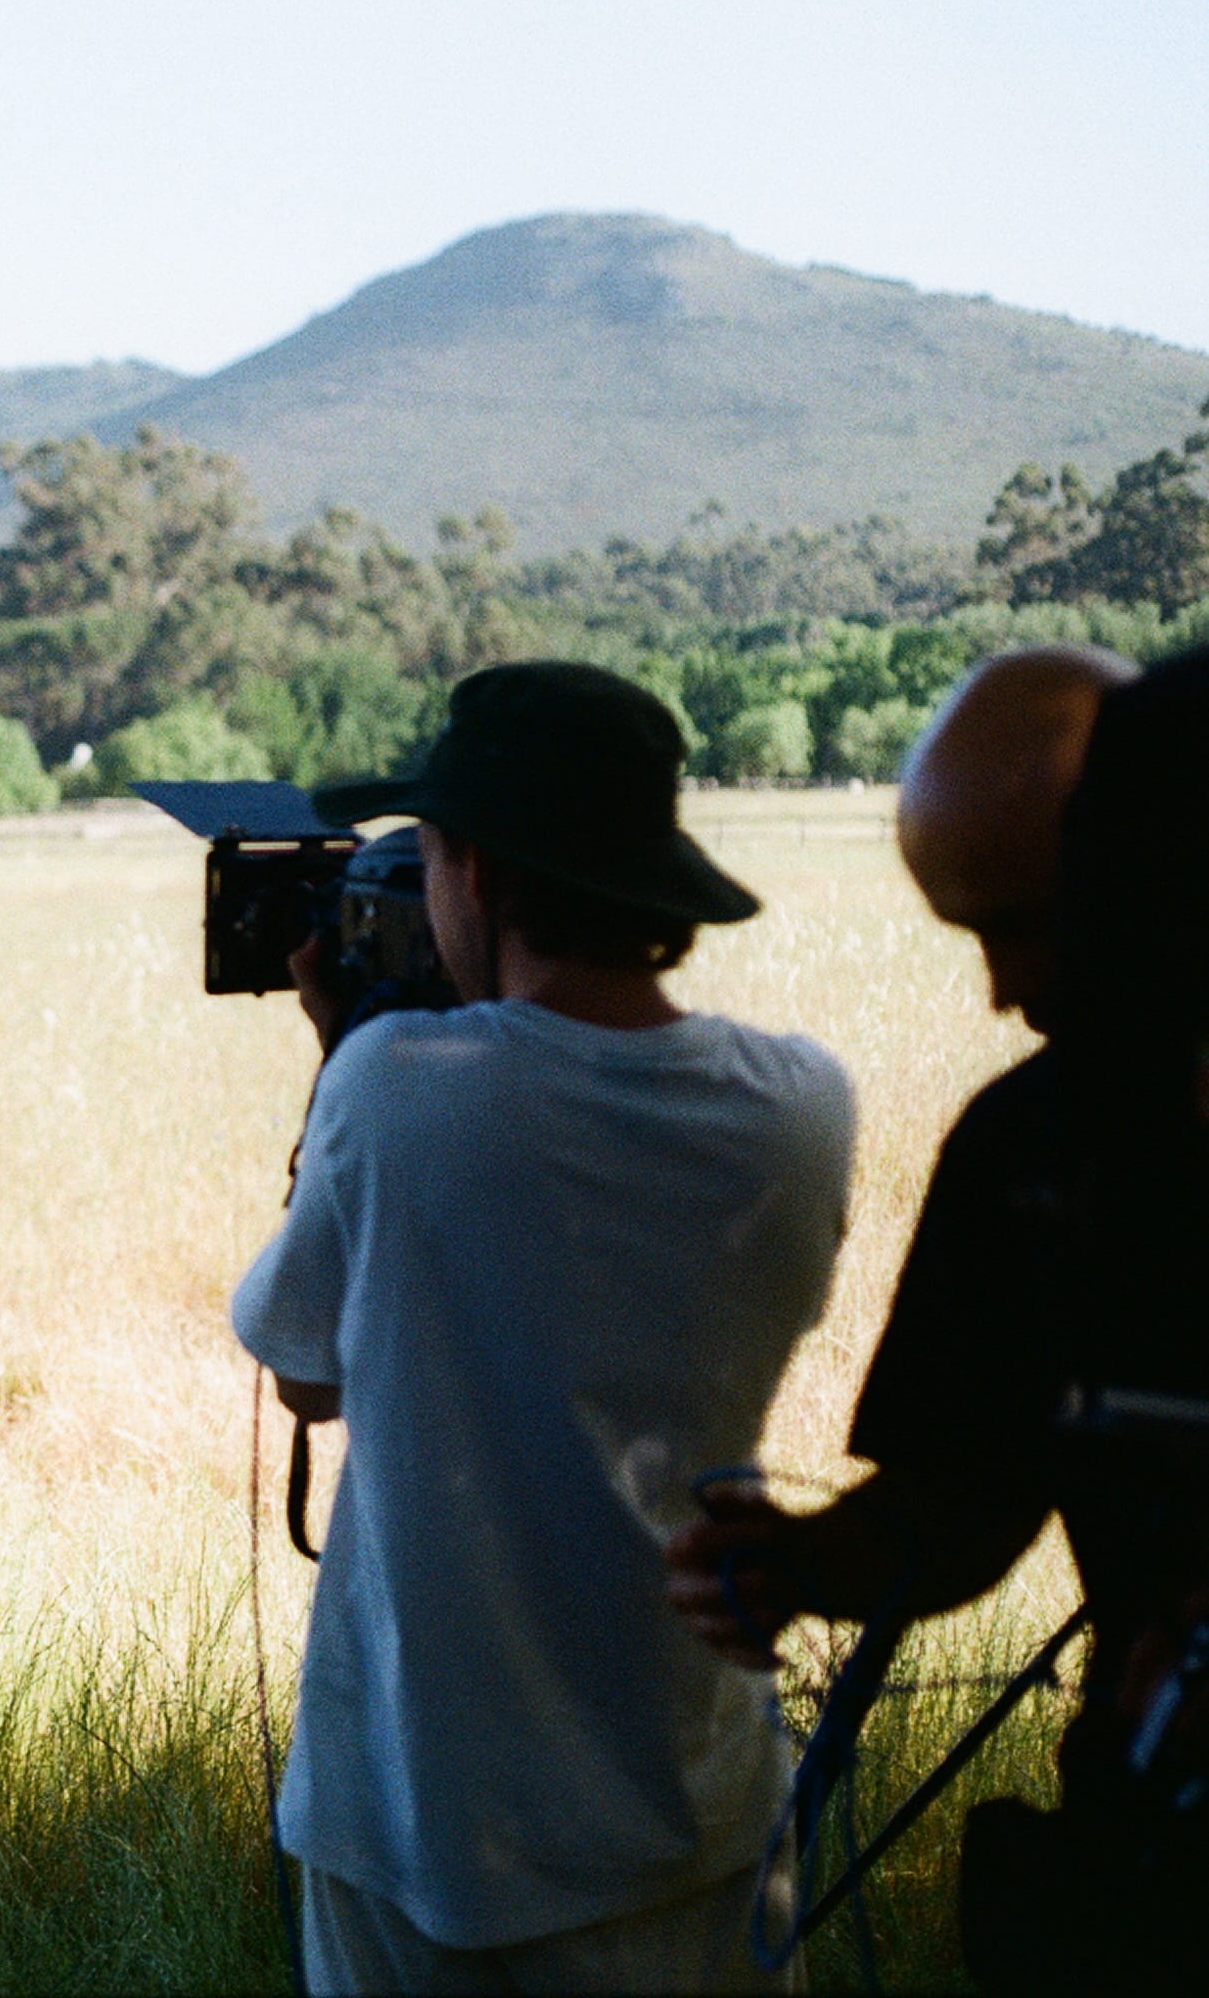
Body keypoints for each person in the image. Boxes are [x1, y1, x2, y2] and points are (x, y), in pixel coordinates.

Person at [230, 660, 857, 1994]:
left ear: (482, 873)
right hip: (693, 1797)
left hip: (415, 1820)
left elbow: (303, 1379)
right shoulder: (801, 1105)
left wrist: (339, 1053)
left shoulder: (388, 1093)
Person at [667, 644, 1209, 1993]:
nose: (1003, 990)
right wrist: (803, 1565)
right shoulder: (1025, 1158)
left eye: (1033, 923)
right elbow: (962, 1496)